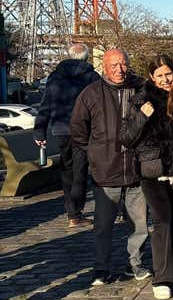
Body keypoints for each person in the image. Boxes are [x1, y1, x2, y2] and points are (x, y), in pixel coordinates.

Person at [70, 49, 151, 285]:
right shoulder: (92, 93)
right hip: (106, 171)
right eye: (114, 65)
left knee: (140, 225)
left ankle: (134, 264)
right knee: (103, 226)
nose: (119, 70)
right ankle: (101, 268)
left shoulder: (140, 89)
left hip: (136, 170)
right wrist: (96, 153)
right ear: (104, 67)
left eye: (123, 64)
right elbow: (78, 129)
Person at [120, 55, 173, 299]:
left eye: (169, 74)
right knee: (162, 220)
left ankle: (172, 271)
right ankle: (160, 278)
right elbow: (126, 138)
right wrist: (142, 117)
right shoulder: (141, 99)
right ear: (151, 77)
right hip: (153, 169)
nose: (165, 79)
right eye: (160, 75)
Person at [34, 43, 100, 228]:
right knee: (80, 170)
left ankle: (72, 212)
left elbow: (45, 104)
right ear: (87, 57)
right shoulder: (91, 76)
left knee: (67, 170)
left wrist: (39, 131)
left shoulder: (55, 77)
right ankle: (76, 212)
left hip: (61, 130)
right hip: (84, 130)